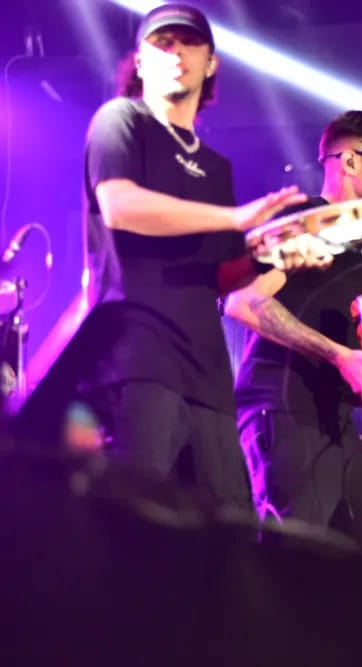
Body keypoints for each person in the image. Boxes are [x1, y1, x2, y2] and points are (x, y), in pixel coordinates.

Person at [15, 4, 306, 510]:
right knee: (135, 520)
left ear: (211, 63)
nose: (175, 53)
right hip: (136, 357)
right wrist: (236, 217)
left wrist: (274, 254)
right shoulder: (120, 120)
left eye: (188, 43)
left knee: (227, 530)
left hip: (208, 374)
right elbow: (120, 206)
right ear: (140, 61)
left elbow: (222, 277)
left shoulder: (215, 167)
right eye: (162, 43)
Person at [225, 110, 362, 558]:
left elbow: (341, 352)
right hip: (284, 413)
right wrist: (338, 355)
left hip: (333, 424)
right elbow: (243, 301)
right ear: (350, 161)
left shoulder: (359, 254)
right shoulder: (302, 220)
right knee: (293, 568)